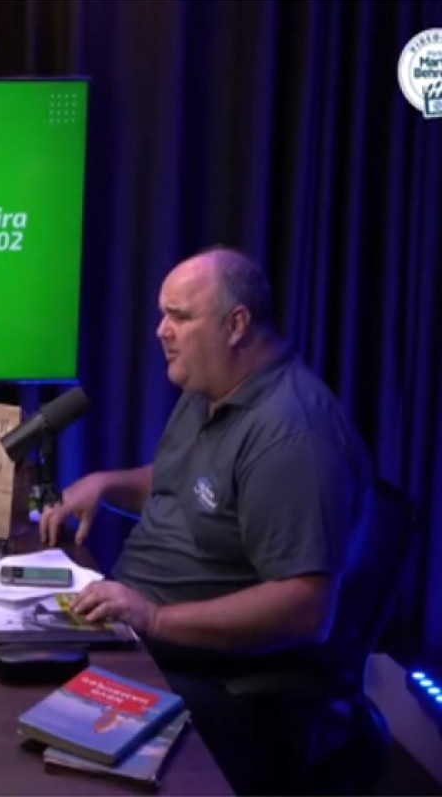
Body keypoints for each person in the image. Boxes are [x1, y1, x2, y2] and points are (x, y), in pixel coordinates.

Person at [40, 247, 375, 795]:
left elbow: (307, 608)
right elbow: (188, 485)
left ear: (236, 324)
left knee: (29, 727)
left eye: (179, 316)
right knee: (4, 657)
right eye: (161, 314)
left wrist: (153, 617)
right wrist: (107, 483)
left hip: (210, 676)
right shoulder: (210, 388)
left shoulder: (293, 436)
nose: (161, 330)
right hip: (140, 633)